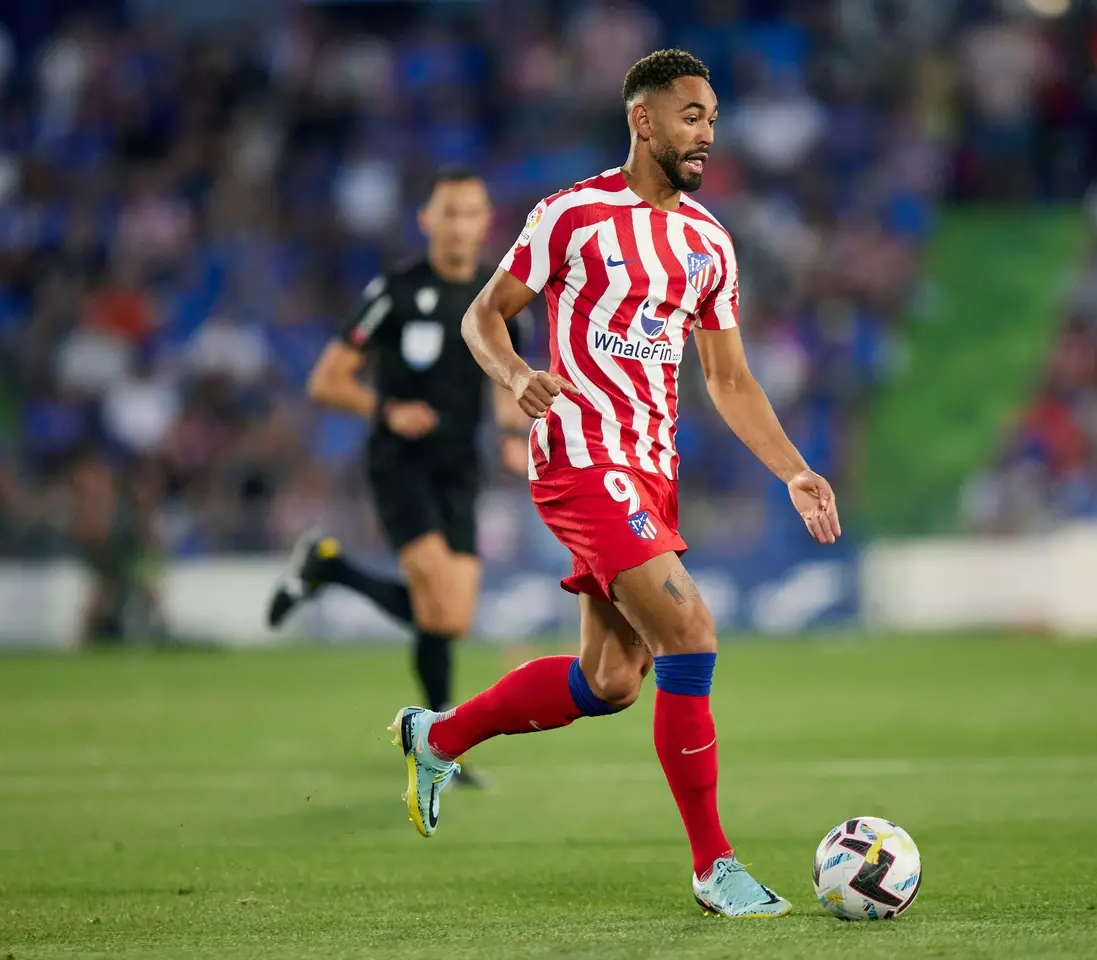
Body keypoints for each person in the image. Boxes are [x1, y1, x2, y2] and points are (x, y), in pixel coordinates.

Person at [387, 50, 840, 918]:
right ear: (644, 121)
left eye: (712, 118)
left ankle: (437, 736)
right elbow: (482, 314)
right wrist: (516, 376)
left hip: (651, 471)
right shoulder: (571, 215)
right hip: (581, 459)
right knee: (692, 634)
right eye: (690, 116)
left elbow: (730, 380)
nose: (706, 133)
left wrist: (795, 471)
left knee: (613, 682)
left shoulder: (709, 243)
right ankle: (716, 869)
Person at [268, 168, 529, 790]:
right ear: (428, 221)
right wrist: (387, 409)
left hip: (459, 469)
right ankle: (442, 748)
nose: (460, 225)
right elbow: (327, 379)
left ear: (485, 222)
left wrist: (517, 438)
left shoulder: (501, 303)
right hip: (400, 463)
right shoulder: (395, 292)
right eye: (449, 212)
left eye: (471, 213)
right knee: (437, 594)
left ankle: (329, 569)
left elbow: (504, 391)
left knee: (451, 618)